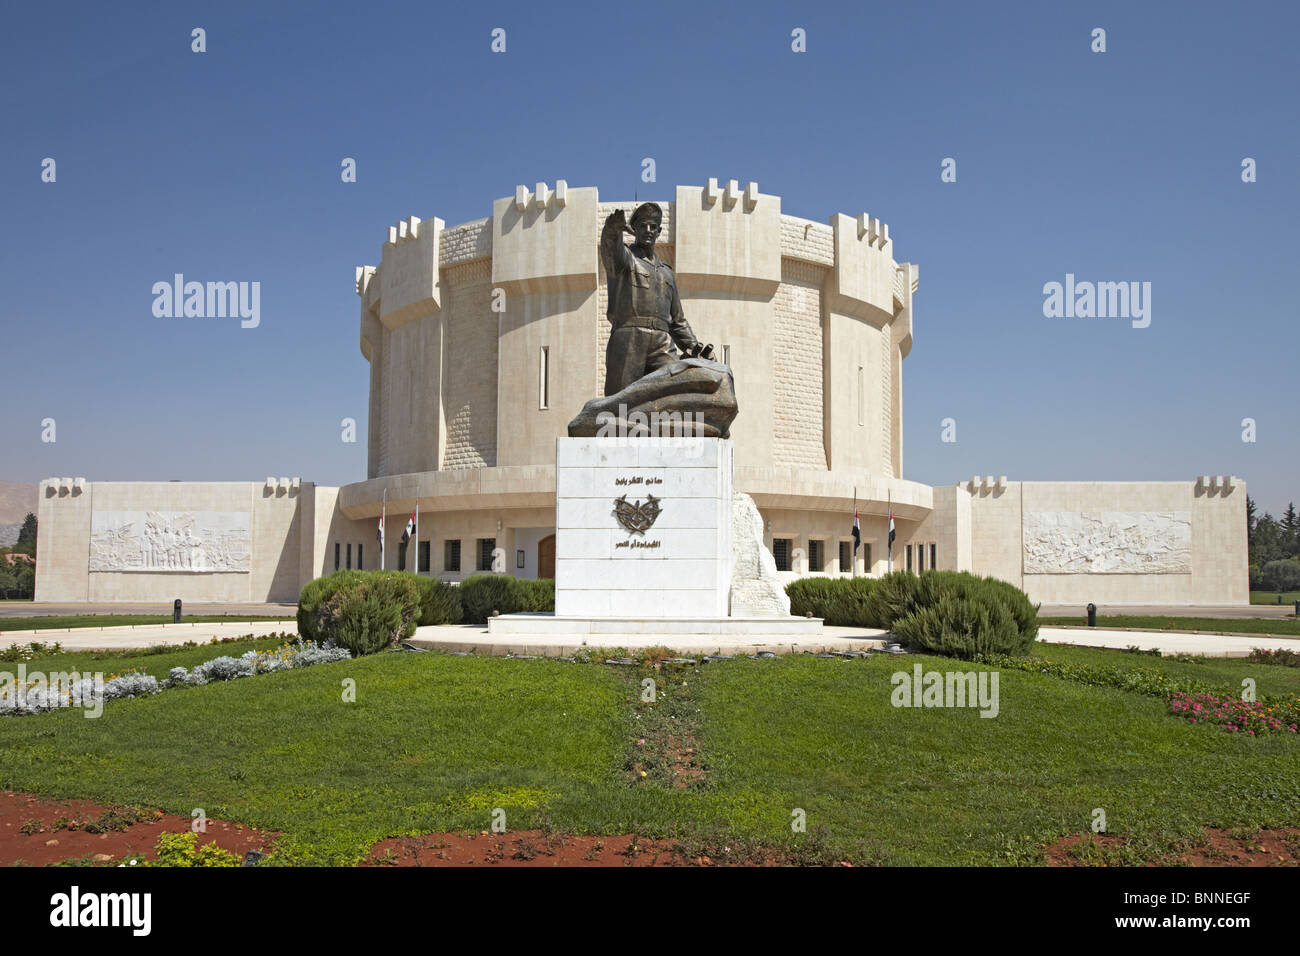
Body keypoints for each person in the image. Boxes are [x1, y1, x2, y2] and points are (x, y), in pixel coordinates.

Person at [600, 202, 713, 396]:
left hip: (661, 343)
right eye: (643, 225)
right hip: (629, 338)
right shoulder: (626, 259)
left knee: (678, 385)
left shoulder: (666, 274)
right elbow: (611, 251)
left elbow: (677, 321)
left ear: (659, 231)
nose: (648, 230)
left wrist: (694, 347)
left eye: (653, 226)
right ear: (634, 229)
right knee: (620, 401)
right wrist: (612, 230)